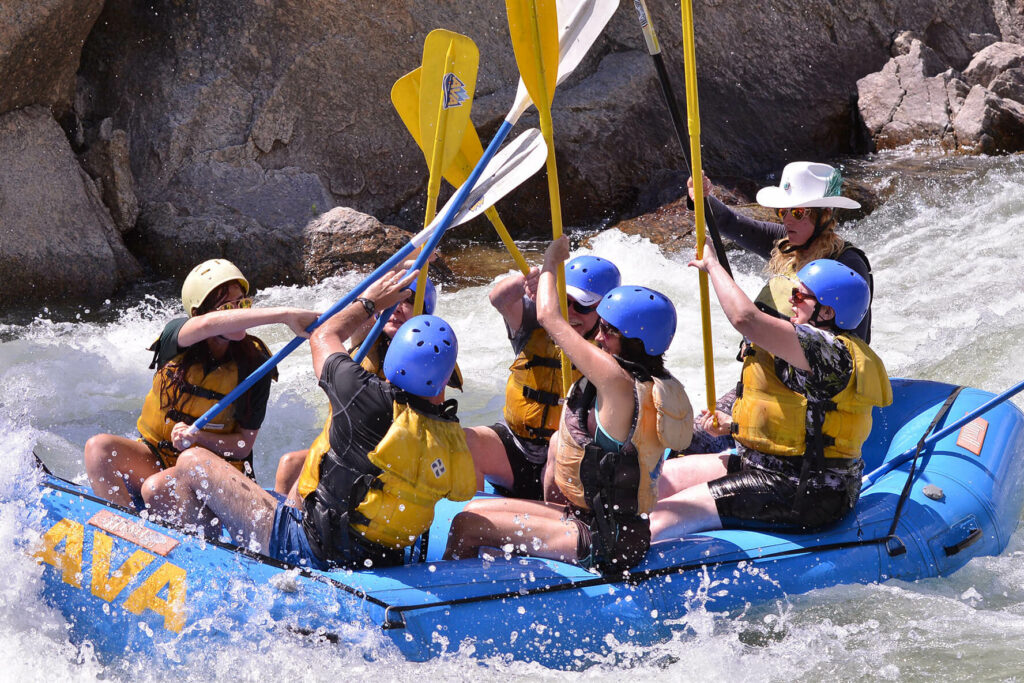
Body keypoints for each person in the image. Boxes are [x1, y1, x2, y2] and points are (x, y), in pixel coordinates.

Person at [144, 268, 477, 571]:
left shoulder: (360, 396)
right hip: (378, 553)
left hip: (309, 547)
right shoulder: (449, 433)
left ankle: (206, 567)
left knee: (191, 461)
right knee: (301, 466)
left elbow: (326, 334)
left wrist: (369, 300)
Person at [445, 237, 693, 574]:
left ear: (633, 341)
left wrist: (550, 261)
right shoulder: (654, 379)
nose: (599, 337)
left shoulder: (616, 381)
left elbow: (548, 315)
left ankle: (456, 600)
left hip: (604, 540)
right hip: (602, 524)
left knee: (465, 527)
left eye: (607, 330)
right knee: (471, 510)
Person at [651, 248, 892, 539]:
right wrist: (734, 427)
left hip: (806, 489)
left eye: (801, 296)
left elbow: (745, 319)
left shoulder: (828, 350)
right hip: (768, 467)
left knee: (667, 513)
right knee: (657, 480)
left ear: (827, 312)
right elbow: (798, 415)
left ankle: (613, 570)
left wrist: (713, 266)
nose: (791, 299)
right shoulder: (804, 345)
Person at [84, 259, 318, 508]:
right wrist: (285, 315)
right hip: (159, 457)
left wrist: (199, 438)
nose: (240, 313)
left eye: (243, 304)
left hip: (212, 472)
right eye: (228, 307)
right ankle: (123, 524)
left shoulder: (254, 361)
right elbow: (206, 326)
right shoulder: (176, 337)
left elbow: (242, 446)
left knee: (158, 487)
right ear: (198, 312)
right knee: (99, 448)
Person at [685, 161, 874, 455]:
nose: (787, 219)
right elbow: (730, 223)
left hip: (805, 401)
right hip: (764, 384)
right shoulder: (786, 245)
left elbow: (849, 349)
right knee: (690, 439)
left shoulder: (847, 267)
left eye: (798, 212)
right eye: (783, 211)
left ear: (825, 215)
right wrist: (704, 197)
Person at [272, 276, 463, 497]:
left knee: (309, 473)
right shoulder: (367, 334)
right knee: (289, 464)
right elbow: (361, 308)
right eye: (395, 301)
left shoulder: (431, 357)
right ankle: (281, 527)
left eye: (409, 302)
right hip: (352, 442)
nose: (398, 309)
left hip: (396, 452)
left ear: (424, 316)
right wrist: (404, 267)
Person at [462, 253, 621, 500]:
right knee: (466, 442)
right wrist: (528, 281)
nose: (570, 312)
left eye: (582, 305)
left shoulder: (612, 348)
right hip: (517, 448)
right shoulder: (534, 322)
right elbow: (499, 299)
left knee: (560, 445)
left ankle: (556, 529)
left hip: (570, 458)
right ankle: (471, 522)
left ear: (604, 311)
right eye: (564, 300)